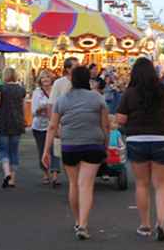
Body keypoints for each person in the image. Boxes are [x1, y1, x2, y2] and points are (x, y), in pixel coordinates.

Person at [116, 57, 164, 242]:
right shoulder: (163, 89)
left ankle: (145, 224)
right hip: (163, 137)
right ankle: (161, 222)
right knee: (162, 185)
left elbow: (121, 118)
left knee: (142, 184)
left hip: (137, 139)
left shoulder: (130, 92)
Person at [43, 66, 109, 241]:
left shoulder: (62, 100)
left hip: (70, 145)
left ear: (72, 80)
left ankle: (77, 220)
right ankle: (83, 224)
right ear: (88, 79)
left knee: (74, 184)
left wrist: (46, 151)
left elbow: (52, 126)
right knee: (86, 185)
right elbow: (105, 126)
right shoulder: (98, 98)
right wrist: (106, 145)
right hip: (93, 144)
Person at [0, 67, 26, 189]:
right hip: (17, 123)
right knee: (14, 150)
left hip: (3, 122)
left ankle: (6, 173)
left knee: (3, 149)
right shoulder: (21, 90)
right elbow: (23, 108)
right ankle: (12, 178)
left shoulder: (1, 88)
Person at [31, 70, 60, 185]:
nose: (45, 79)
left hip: (53, 124)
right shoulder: (37, 92)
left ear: (51, 78)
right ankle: (45, 173)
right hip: (39, 126)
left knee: (55, 150)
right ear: (40, 80)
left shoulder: (56, 91)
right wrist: (41, 109)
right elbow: (33, 111)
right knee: (43, 150)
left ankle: (55, 174)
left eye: (47, 77)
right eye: (43, 78)